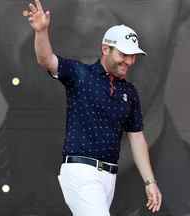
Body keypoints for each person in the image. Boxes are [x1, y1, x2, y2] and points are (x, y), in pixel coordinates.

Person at [25, 0, 162, 215]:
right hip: (81, 171)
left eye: (133, 55)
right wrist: (41, 32)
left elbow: (136, 138)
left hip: (109, 176)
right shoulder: (81, 74)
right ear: (105, 49)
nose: (129, 61)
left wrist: (149, 182)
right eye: (123, 54)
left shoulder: (129, 92)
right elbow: (47, 60)